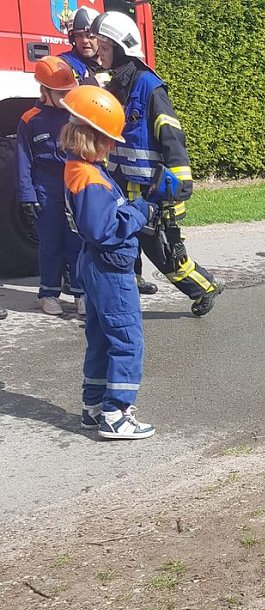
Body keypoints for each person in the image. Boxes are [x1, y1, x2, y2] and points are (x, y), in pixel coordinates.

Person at [90, 10, 224, 314]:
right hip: (122, 184)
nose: (100, 53)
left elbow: (171, 136)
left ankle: (205, 287)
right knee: (122, 241)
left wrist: (178, 185)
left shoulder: (150, 87)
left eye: (106, 47)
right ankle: (129, 291)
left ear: (123, 48)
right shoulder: (114, 87)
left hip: (154, 189)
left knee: (164, 253)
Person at [60, 85, 158, 439]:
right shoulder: (89, 178)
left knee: (102, 338)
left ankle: (94, 407)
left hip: (95, 265)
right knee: (127, 340)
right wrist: (139, 210)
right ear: (93, 137)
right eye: (109, 139)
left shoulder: (80, 168)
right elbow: (105, 229)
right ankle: (116, 414)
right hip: (109, 269)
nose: (114, 145)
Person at [16, 56, 85, 317]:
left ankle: (81, 293)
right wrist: (27, 195)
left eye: (69, 91)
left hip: (74, 187)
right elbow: (23, 162)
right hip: (46, 190)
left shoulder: (75, 114)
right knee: (51, 244)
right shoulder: (30, 120)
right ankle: (48, 294)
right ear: (44, 91)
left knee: (77, 242)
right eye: (60, 93)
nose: (66, 97)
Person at [59, 6, 103, 86]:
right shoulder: (63, 63)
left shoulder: (111, 63)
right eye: (79, 35)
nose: (84, 41)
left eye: (90, 36)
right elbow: (55, 95)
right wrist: (85, 87)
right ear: (73, 39)